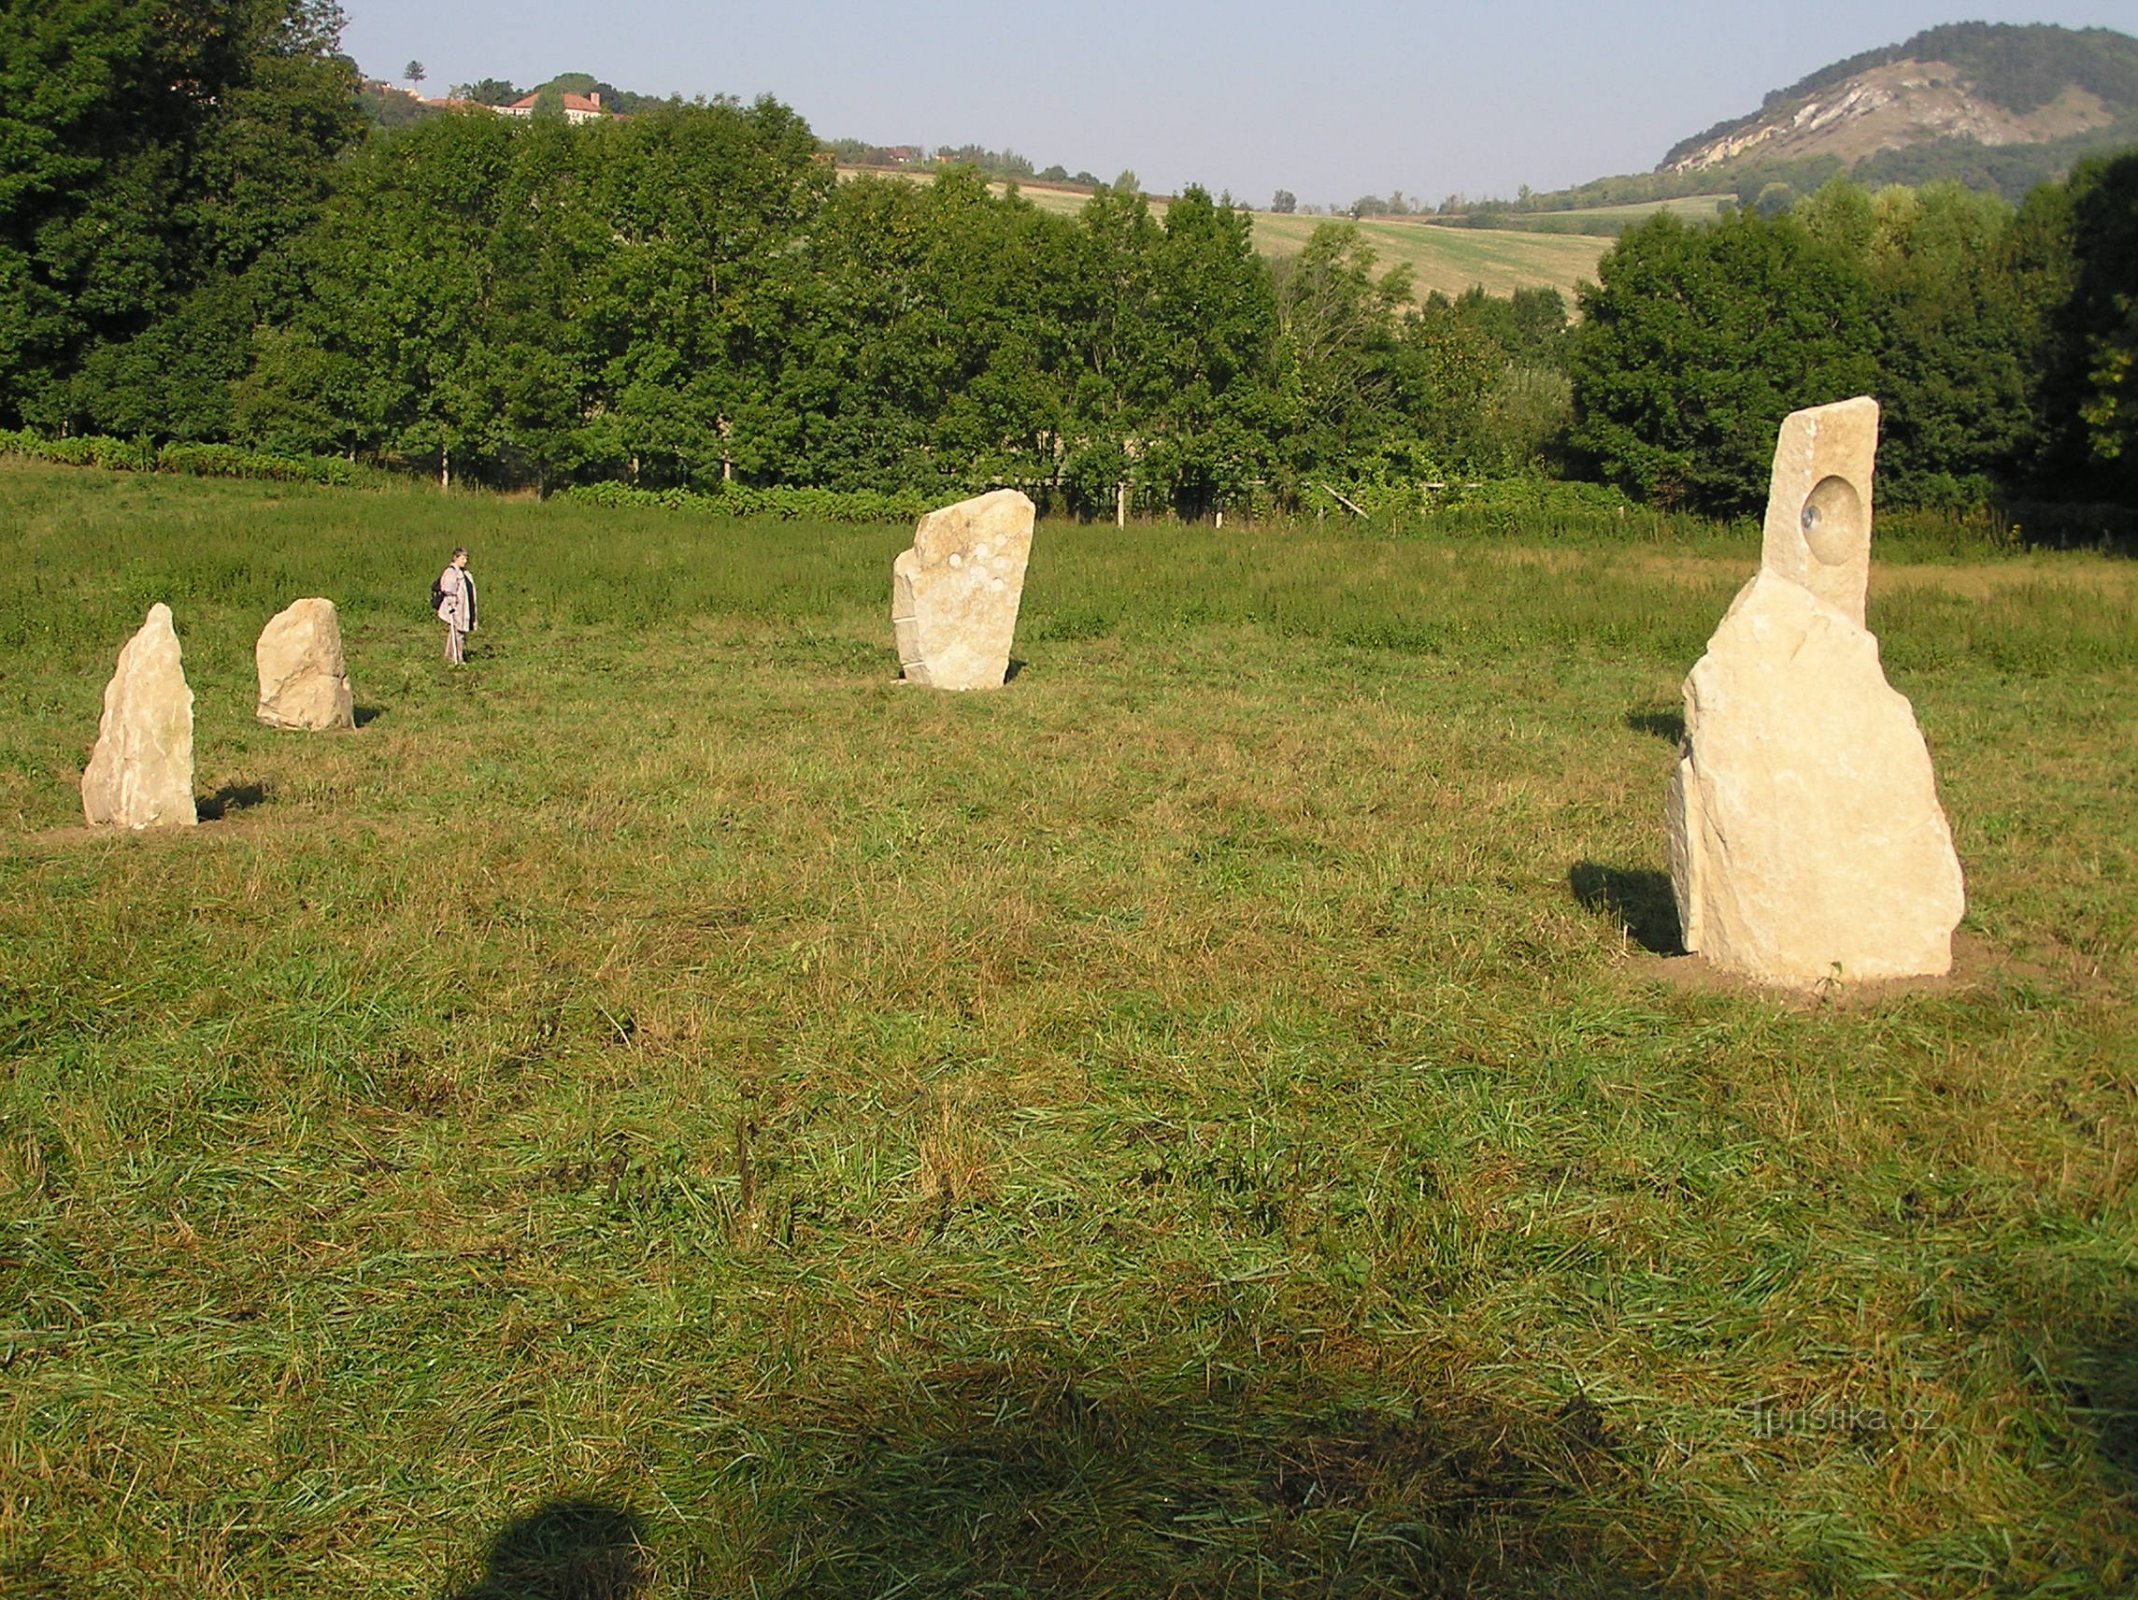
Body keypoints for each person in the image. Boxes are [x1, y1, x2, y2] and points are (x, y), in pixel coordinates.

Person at [438, 546, 477, 664]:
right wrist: (452, 606)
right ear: (455, 558)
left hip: (465, 606)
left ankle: (450, 656)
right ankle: (457, 658)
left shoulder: (465, 573)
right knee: (458, 632)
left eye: (466, 559)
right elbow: (448, 590)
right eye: (462, 558)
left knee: (457, 632)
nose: (465, 561)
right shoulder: (451, 572)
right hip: (457, 608)